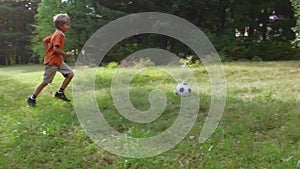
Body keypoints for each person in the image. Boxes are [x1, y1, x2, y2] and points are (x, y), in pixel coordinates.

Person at [27, 13, 74, 107]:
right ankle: (32, 98)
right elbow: (56, 49)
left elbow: (45, 40)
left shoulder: (57, 34)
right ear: (61, 26)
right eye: (67, 25)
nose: (68, 27)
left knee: (70, 74)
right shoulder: (58, 35)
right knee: (45, 82)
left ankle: (60, 93)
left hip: (58, 61)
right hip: (52, 62)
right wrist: (66, 54)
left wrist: (48, 52)